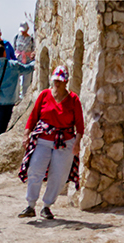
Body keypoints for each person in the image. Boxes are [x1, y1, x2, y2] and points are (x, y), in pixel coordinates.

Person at [18, 66, 84, 219]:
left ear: (66, 81)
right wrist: (26, 134)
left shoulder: (73, 99)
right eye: (55, 80)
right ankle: (30, 205)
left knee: (59, 175)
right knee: (35, 169)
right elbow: (33, 116)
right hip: (44, 139)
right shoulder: (44, 95)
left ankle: (47, 206)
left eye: (60, 81)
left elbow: (80, 125)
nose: (57, 83)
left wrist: (77, 143)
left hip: (65, 141)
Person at [13, 22, 36, 96]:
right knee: (16, 80)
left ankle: (24, 96)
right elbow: (14, 48)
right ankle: (16, 96)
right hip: (18, 61)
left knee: (26, 81)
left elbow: (34, 49)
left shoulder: (31, 39)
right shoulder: (17, 37)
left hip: (28, 61)